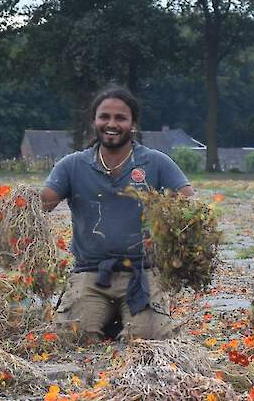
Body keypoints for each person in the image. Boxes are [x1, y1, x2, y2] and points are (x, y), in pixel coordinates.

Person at [41, 86, 195, 342]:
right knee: (71, 337)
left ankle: (130, 320)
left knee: (148, 340)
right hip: (90, 273)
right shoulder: (72, 165)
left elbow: (188, 202)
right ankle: (103, 317)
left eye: (120, 118)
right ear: (94, 121)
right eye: (105, 117)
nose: (111, 124)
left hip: (141, 273)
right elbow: (44, 203)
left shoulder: (155, 162)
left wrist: (172, 220)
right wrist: (20, 205)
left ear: (133, 123)